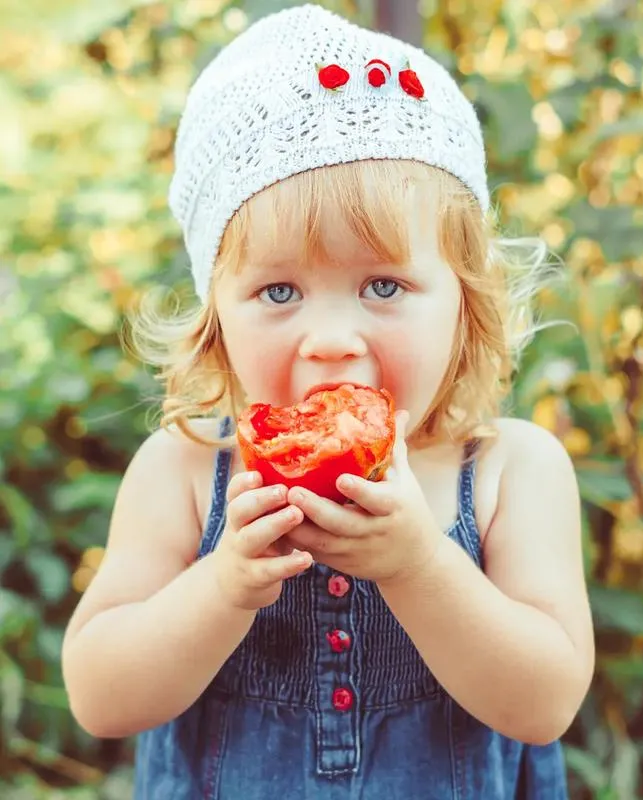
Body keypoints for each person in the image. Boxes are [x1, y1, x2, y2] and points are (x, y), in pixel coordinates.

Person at [61, 4, 594, 798]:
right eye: (279, 290)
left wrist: (419, 562)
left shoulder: (513, 470)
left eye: (384, 285)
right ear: (217, 321)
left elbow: (545, 702)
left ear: (465, 301)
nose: (332, 338)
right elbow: (101, 697)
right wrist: (222, 585)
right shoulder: (184, 469)